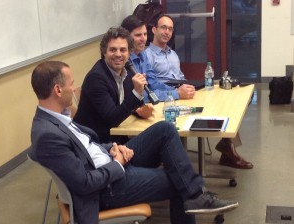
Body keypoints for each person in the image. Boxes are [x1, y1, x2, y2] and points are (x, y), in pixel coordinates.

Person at [29, 60, 238, 224]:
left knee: (165, 129)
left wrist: (111, 147)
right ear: (57, 90)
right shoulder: (48, 135)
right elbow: (85, 183)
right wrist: (117, 163)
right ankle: (195, 195)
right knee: (178, 181)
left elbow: (86, 145)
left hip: (110, 160)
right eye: (71, 84)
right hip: (107, 187)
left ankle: (195, 195)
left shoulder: (56, 117)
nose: (74, 89)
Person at [146, 15, 253, 169]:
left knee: (225, 104)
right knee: (211, 109)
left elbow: (180, 78)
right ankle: (228, 151)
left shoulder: (172, 53)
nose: (167, 32)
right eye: (163, 27)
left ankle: (226, 145)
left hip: (182, 93)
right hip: (168, 102)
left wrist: (190, 87)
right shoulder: (147, 56)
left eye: (170, 29)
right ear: (154, 30)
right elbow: (152, 89)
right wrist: (177, 92)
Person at [74, 27, 154, 144]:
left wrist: (140, 110)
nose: (118, 54)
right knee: (163, 134)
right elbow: (113, 118)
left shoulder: (126, 70)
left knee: (162, 134)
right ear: (104, 52)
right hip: (99, 144)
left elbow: (128, 104)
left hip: (119, 138)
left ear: (129, 52)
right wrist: (137, 93)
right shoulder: (96, 78)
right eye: (112, 50)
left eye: (123, 50)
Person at [121, 15, 195, 102]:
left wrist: (176, 91)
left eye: (145, 34)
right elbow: (143, 96)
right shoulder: (124, 61)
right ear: (126, 38)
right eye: (138, 35)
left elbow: (154, 83)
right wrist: (176, 93)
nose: (143, 39)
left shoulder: (143, 55)